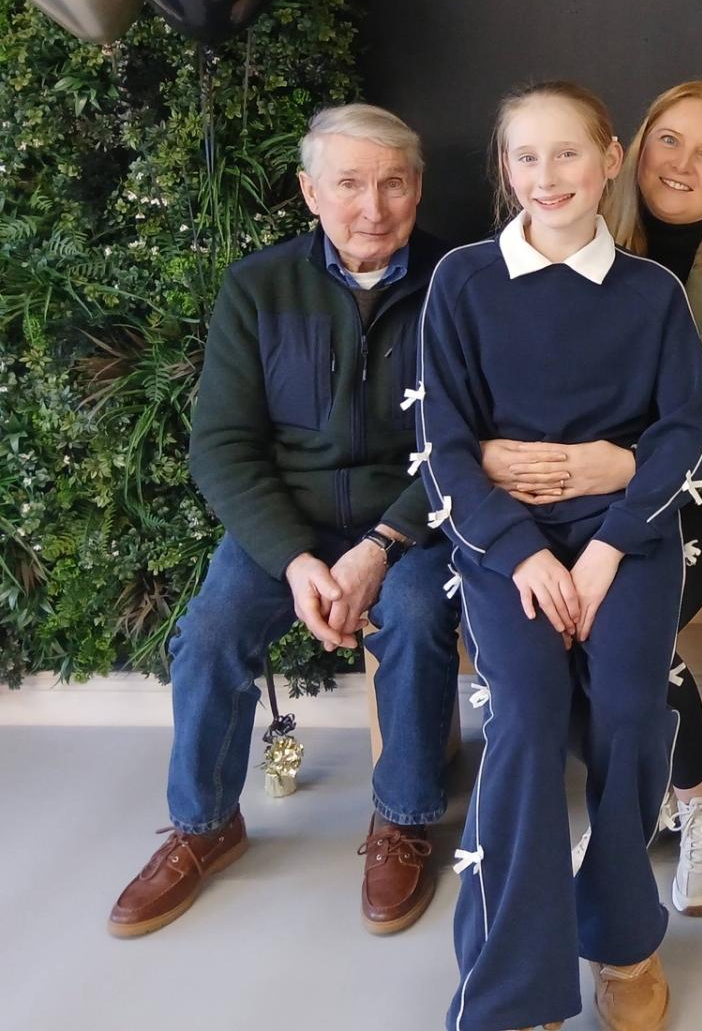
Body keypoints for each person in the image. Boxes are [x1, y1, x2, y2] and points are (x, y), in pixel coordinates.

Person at [108, 104, 456, 940]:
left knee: (414, 618)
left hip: (413, 521)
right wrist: (297, 561)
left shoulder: (461, 283)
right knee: (210, 631)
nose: (372, 207)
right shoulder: (257, 286)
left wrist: (381, 547)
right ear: (310, 192)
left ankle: (404, 819)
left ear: (417, 188)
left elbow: (470, 442)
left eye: (393, 184)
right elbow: (222, 447)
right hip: (288, 525)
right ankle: (203, 825)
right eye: (349, 184)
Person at [419, 81, 702, 1031]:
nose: (547, 176)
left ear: (610, 160)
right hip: (506, 544)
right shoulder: (462, 282)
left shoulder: (652, 293)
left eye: (568, 153)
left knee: (630, 708)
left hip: (627, 538)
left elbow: (683, 437)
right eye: (526, 157)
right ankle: (513, 981)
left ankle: (624, 937)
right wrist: (522, 556)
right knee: (527, 713)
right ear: (505, 169)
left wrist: (605, 552)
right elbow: (444, 446)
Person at [483, 78, 702, 917]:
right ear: (629, 151)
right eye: (670, 140)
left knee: (626, 619)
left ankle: (700, 794)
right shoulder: (571, 243)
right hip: (574, 496)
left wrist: (629, 469)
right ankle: (643, 792)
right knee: (551, 621)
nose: (683, 164)